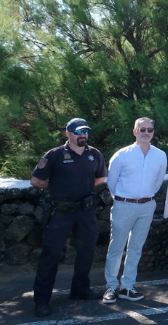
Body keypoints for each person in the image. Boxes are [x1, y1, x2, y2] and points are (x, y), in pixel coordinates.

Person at [31, 118, 107, 317]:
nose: (82, 135)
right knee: (51, 254)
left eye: (85, 131)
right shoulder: (54, 155)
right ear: (68, 133)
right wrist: (57, 188)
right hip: (61, 212)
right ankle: (42, 300)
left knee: (86, 251)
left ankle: (80, 290)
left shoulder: (95, 154)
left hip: (85, 210)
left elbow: (101, 177)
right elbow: (36, 180)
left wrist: (84, 187)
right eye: (78, 131)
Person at [103, 117, 167, 304]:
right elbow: (111, 182)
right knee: (116, 247)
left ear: (153, 132)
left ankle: (127, 286)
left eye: (150, 130)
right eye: (142, 129)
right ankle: (111, 286)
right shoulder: (122, 155)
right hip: (124, 205)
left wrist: (145, 198)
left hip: (147, 205)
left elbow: (157, 182)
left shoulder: (160, 155)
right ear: (135, 131)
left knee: (136, 247)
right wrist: (125, 199)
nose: (146, 133)